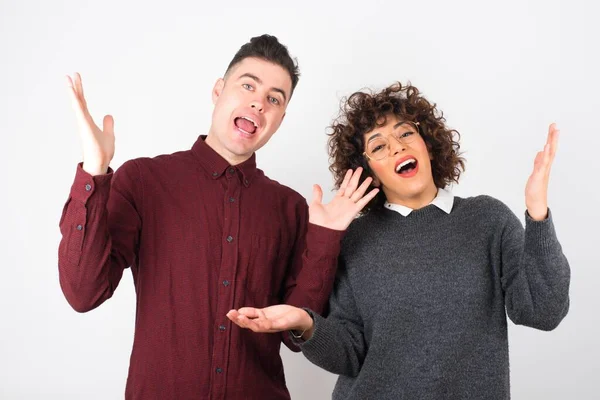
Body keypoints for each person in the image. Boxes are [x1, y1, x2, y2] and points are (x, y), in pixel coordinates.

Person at [58, 34, 378, 400]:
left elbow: (294, 335)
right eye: (248, 86)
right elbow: (84, 293)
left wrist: (326, 236)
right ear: (218, 90)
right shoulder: (144, 180)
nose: (259, 103)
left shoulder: (290, 208)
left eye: (274, 99)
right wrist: (95, 171)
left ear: (280, 119)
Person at [227, 82, 571, 399]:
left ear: (428, 146)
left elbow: (544, 311)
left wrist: (537, 213)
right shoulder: (355, 239)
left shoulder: (487, 219)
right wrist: (305, 323)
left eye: (406, 133)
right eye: (379, 146)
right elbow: (348, 354)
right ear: (368, 170)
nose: (397, 147)